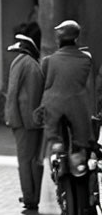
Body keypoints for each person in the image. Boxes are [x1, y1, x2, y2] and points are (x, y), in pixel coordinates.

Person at [34, 19, 96, 151]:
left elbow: (42, 86)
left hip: (53, 111)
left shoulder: (48, 61)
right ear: (76, 38)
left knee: (53, 144)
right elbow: (92, 87)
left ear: (59, 39)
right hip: (79, 110)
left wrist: (39, 108)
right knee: (83, 146)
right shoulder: (86, 59)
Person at [4, 33, 44, 212]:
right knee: (35, 161)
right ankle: (34, 196)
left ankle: (29, 197)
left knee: (25, 161)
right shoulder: (34, 64)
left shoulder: (20, 63)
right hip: (34, 120)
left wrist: (11, 118)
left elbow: (12, 93)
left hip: (22, 120)